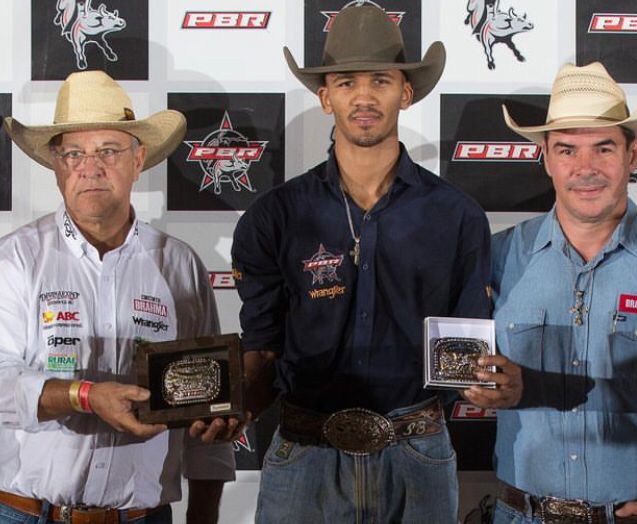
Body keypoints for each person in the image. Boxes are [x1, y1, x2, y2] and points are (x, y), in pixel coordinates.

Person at [231, 5, 490, 523]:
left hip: (416, 454)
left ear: (406, 92)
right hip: (305, 454)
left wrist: (489, 384)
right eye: (347, 82)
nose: (365, 97)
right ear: (325, 97)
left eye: (381, 80)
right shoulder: (273, 217)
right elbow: (261, 349)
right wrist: (228, 406)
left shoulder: (456, 216)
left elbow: (467, 357)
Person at [0, 70, 236, 524]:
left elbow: (210, 403)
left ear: (138, 158)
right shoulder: (16, 259)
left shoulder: (179, 265)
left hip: (144, 517)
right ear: (55, 165)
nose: (90, 167)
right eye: (74, 153)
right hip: (27, 514)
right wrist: (84, 395)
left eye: (108, 150)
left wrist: (204, 515)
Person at [463, 62, 637, 524]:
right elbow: (458, 369)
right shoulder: (499, 257)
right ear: (546, 157)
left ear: (633, 152)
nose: (586, 169)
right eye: (567, 150)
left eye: (603, 148)